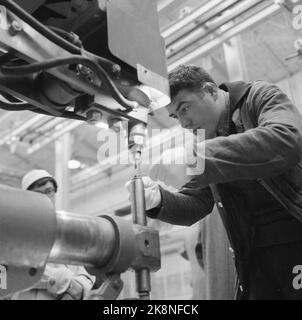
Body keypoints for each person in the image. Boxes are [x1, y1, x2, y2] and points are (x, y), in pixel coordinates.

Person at [127, 65, 302, 300]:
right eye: (175, 116)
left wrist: (196, 158)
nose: (184, 123)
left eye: (185, 108)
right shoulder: (208, 137)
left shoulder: (260, 97)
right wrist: (157, 200)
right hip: (253, 255)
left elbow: (286, 140)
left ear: (210, 90)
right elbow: (198, 203)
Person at [12, 169, 95, 300]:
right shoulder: (16, 230)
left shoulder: (67, 231)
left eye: (49, 191)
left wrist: (75, 291)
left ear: (55, 193)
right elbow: (18, 270)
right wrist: (64, 282)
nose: (45, 197)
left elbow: (86, 276)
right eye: (37, 193)